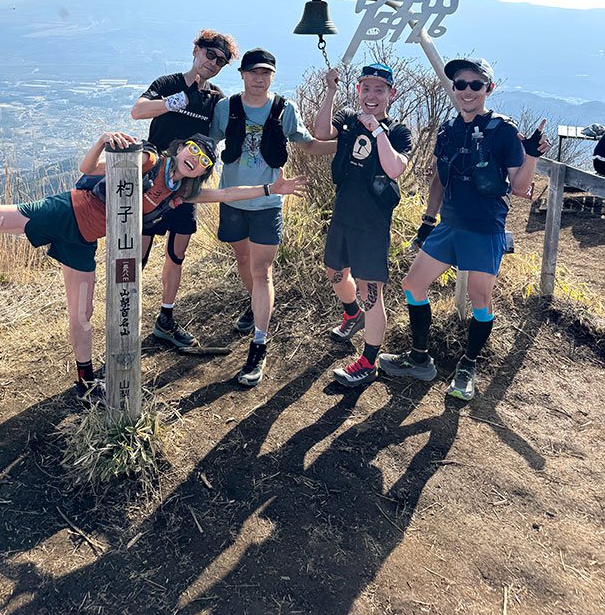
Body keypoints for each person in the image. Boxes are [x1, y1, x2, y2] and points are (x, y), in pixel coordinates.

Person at [0, 132, 306, 403]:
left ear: (203, 168)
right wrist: (101, 142)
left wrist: (272, 186)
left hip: (85, 240)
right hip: (65, 211)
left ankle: (84, 379)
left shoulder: (181, 193)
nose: (195, 160)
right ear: (179, 149)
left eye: (203, 160)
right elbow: (85, 169)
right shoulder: (145, 160)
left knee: (82, 315)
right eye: (192, 151)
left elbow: (228, 196)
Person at [378, 57, 550, 401]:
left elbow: (519, 187)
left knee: (480, 300)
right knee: (413, 285)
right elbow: (440, 177)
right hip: (449, 224)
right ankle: (420, 357)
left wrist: (530, 154)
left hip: (485, 229)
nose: (467, 91)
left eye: (475, 85)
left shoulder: (502, 131)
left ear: (489, 88)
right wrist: (428, 220)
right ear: (454, 90)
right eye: (460, 85)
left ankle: (468, 364)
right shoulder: (447, 130)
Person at [210, 48, 336, 387]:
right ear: (242, 75)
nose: (258, 78)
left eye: (265, 72)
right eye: (252, 72)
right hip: (233, 200)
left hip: (269, 203)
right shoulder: (227, 108)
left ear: (272, 76)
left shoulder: (284, 109)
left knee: (262, 270)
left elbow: (310, 144)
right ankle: (255, 307)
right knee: (243, 260)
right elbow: (208, 143)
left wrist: (352, 142)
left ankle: (259, 343)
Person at [130, 29, 239, 350]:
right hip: (152, 183)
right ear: (196, 50)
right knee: (139, 254)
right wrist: (177, 101)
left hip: (188, 187)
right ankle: (127, 320)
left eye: (221, 60)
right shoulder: (168, 84)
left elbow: (230, 128)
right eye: (210, 55)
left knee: (177, 254)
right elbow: (138, 111)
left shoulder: (216, 98)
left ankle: (165, 319)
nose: (214, 63)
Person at [312, 63, 413, 388]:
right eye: (366, 88)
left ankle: (368, 362)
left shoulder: (398, 132)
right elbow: (320, 132)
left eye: (379, 90)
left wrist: (377, 130)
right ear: (358, 91)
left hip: (372, 224)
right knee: (335, 272)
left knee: (372, 292)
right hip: (343, 214)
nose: (372, 96)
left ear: (391, 94)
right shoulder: (347, 121)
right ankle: (351, 313)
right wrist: (329, 90)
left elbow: (395, 169)